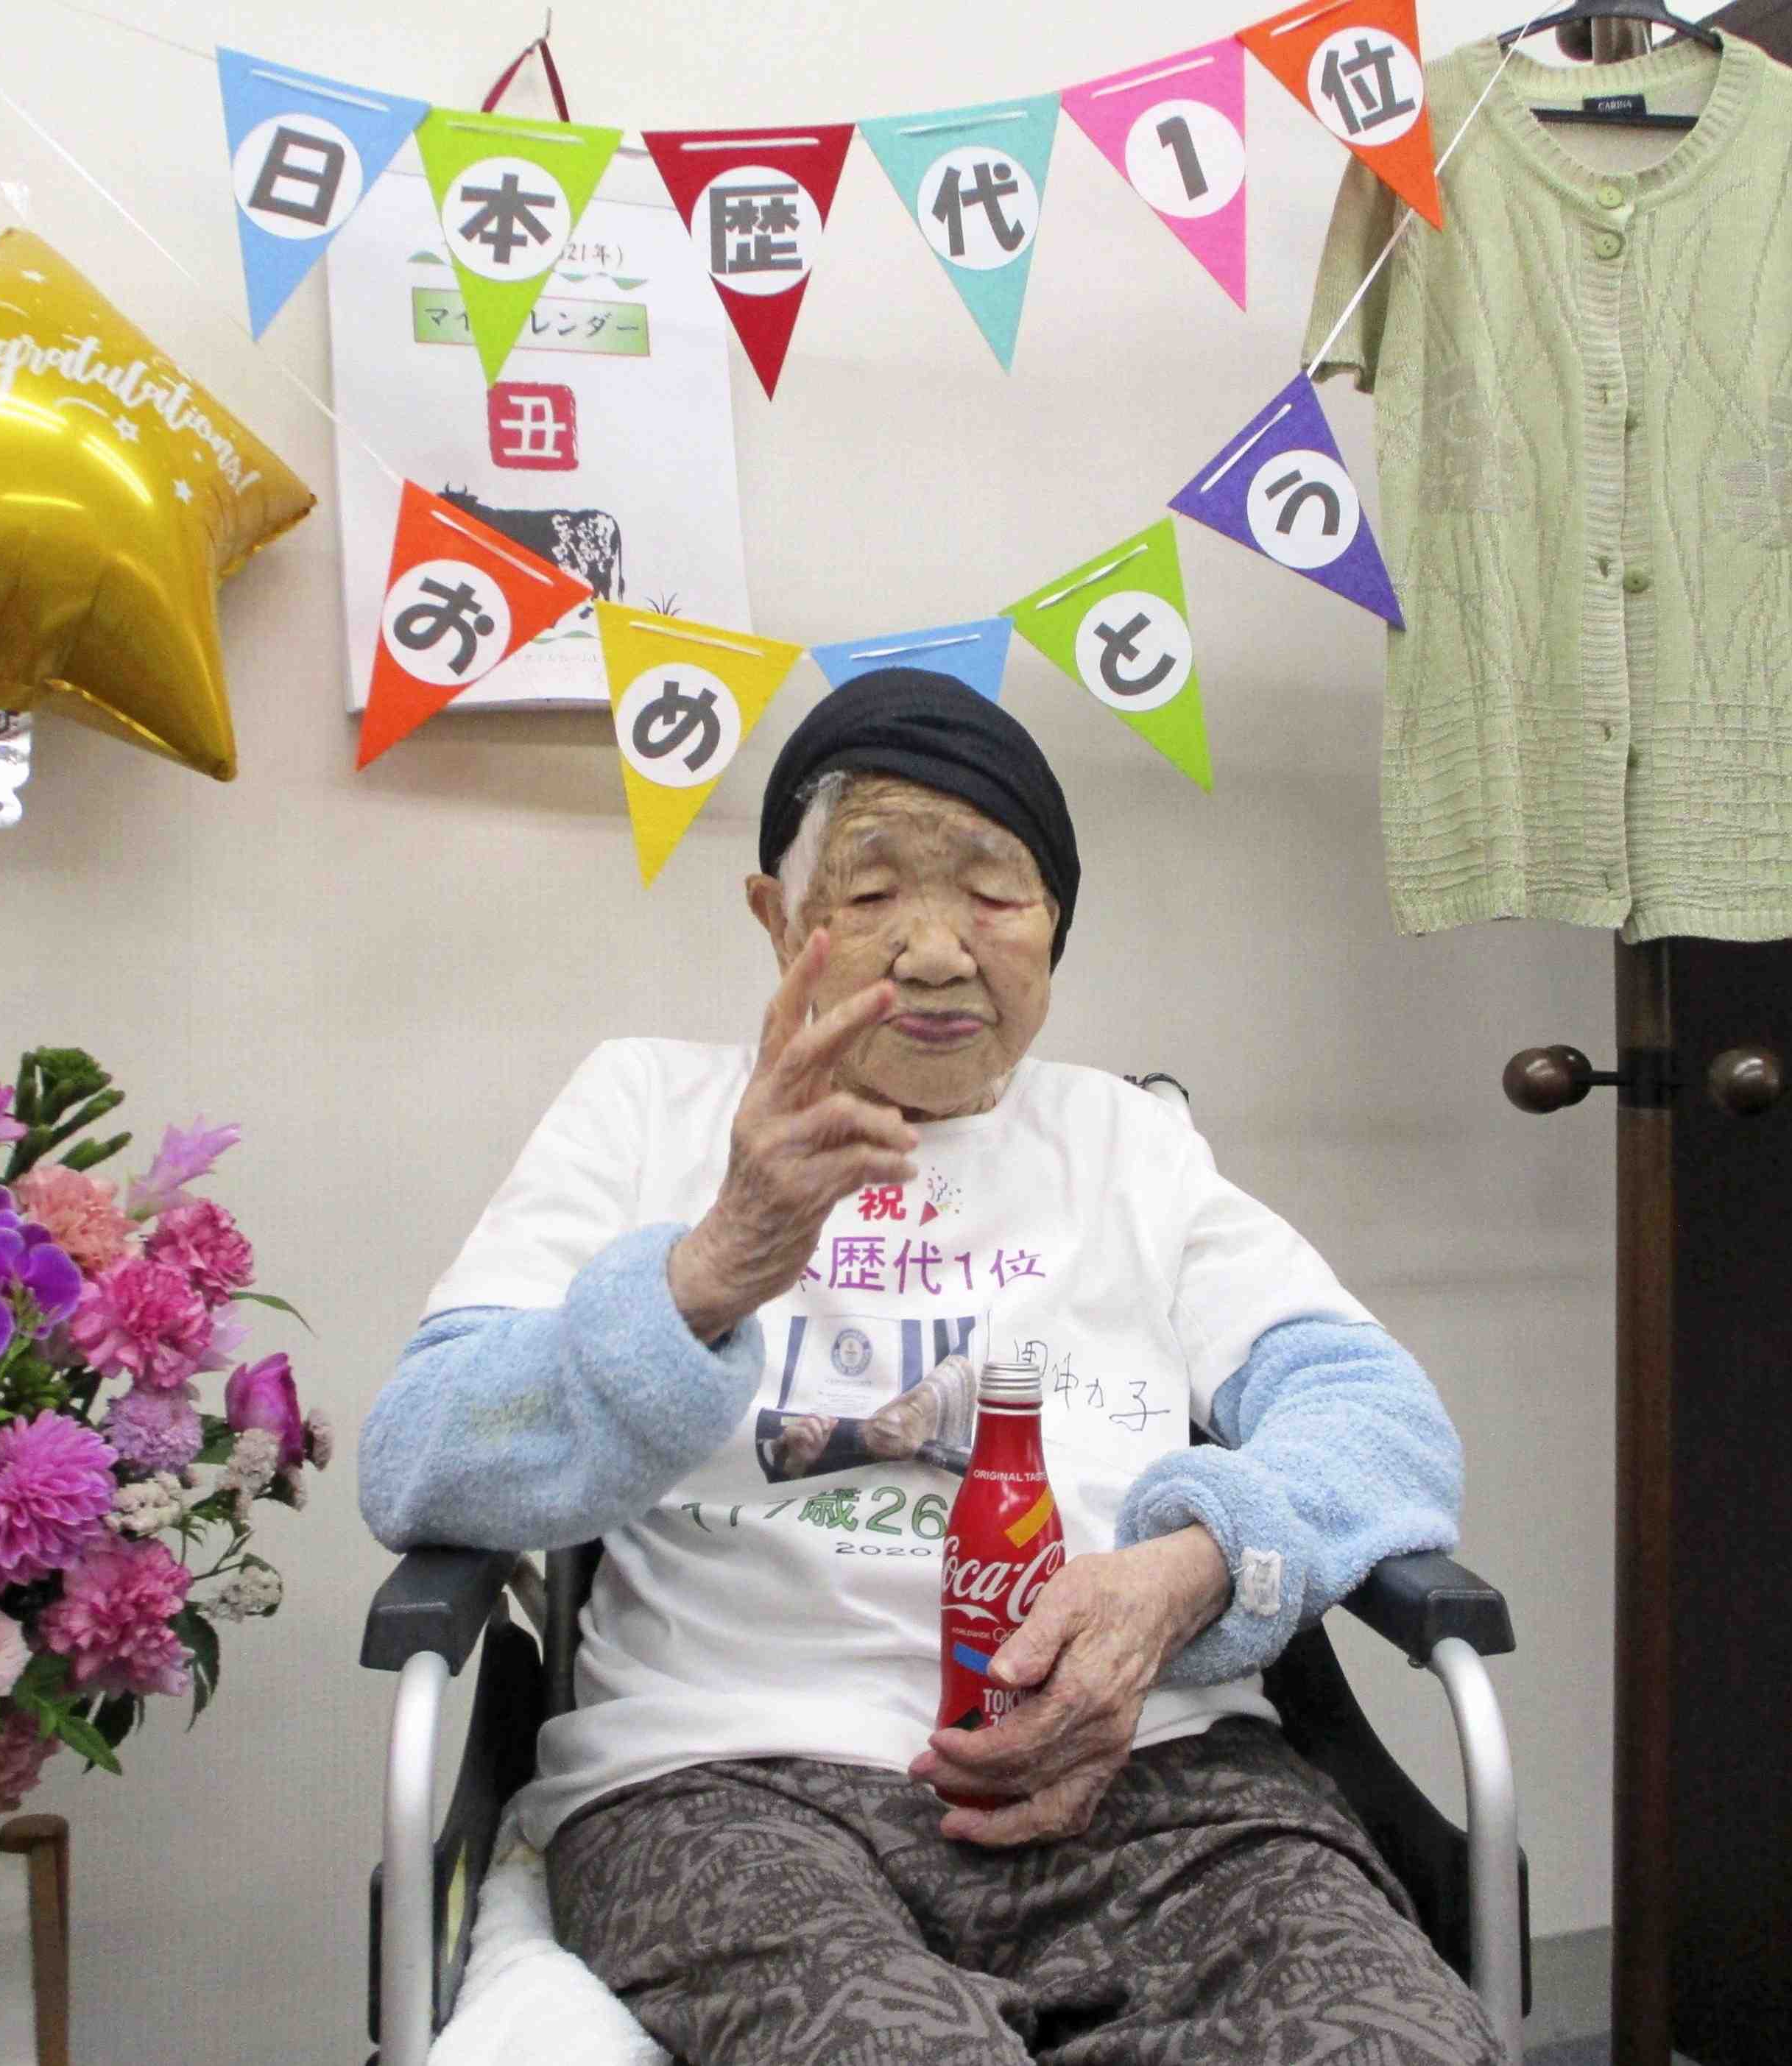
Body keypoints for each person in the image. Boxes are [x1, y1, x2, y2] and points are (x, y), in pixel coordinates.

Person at [360, 669, 1501, 2065]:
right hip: (728, 1784)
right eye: (870, 889)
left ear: (1054, 924)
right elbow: (420, 1453)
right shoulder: (643, 1109)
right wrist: (710, 1266)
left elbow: (1379, 1422)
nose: (938, 952)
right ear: (777, 919)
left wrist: (1187, 1572)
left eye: (992, 892)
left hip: (1153, 1771)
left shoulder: (1127, 1144)